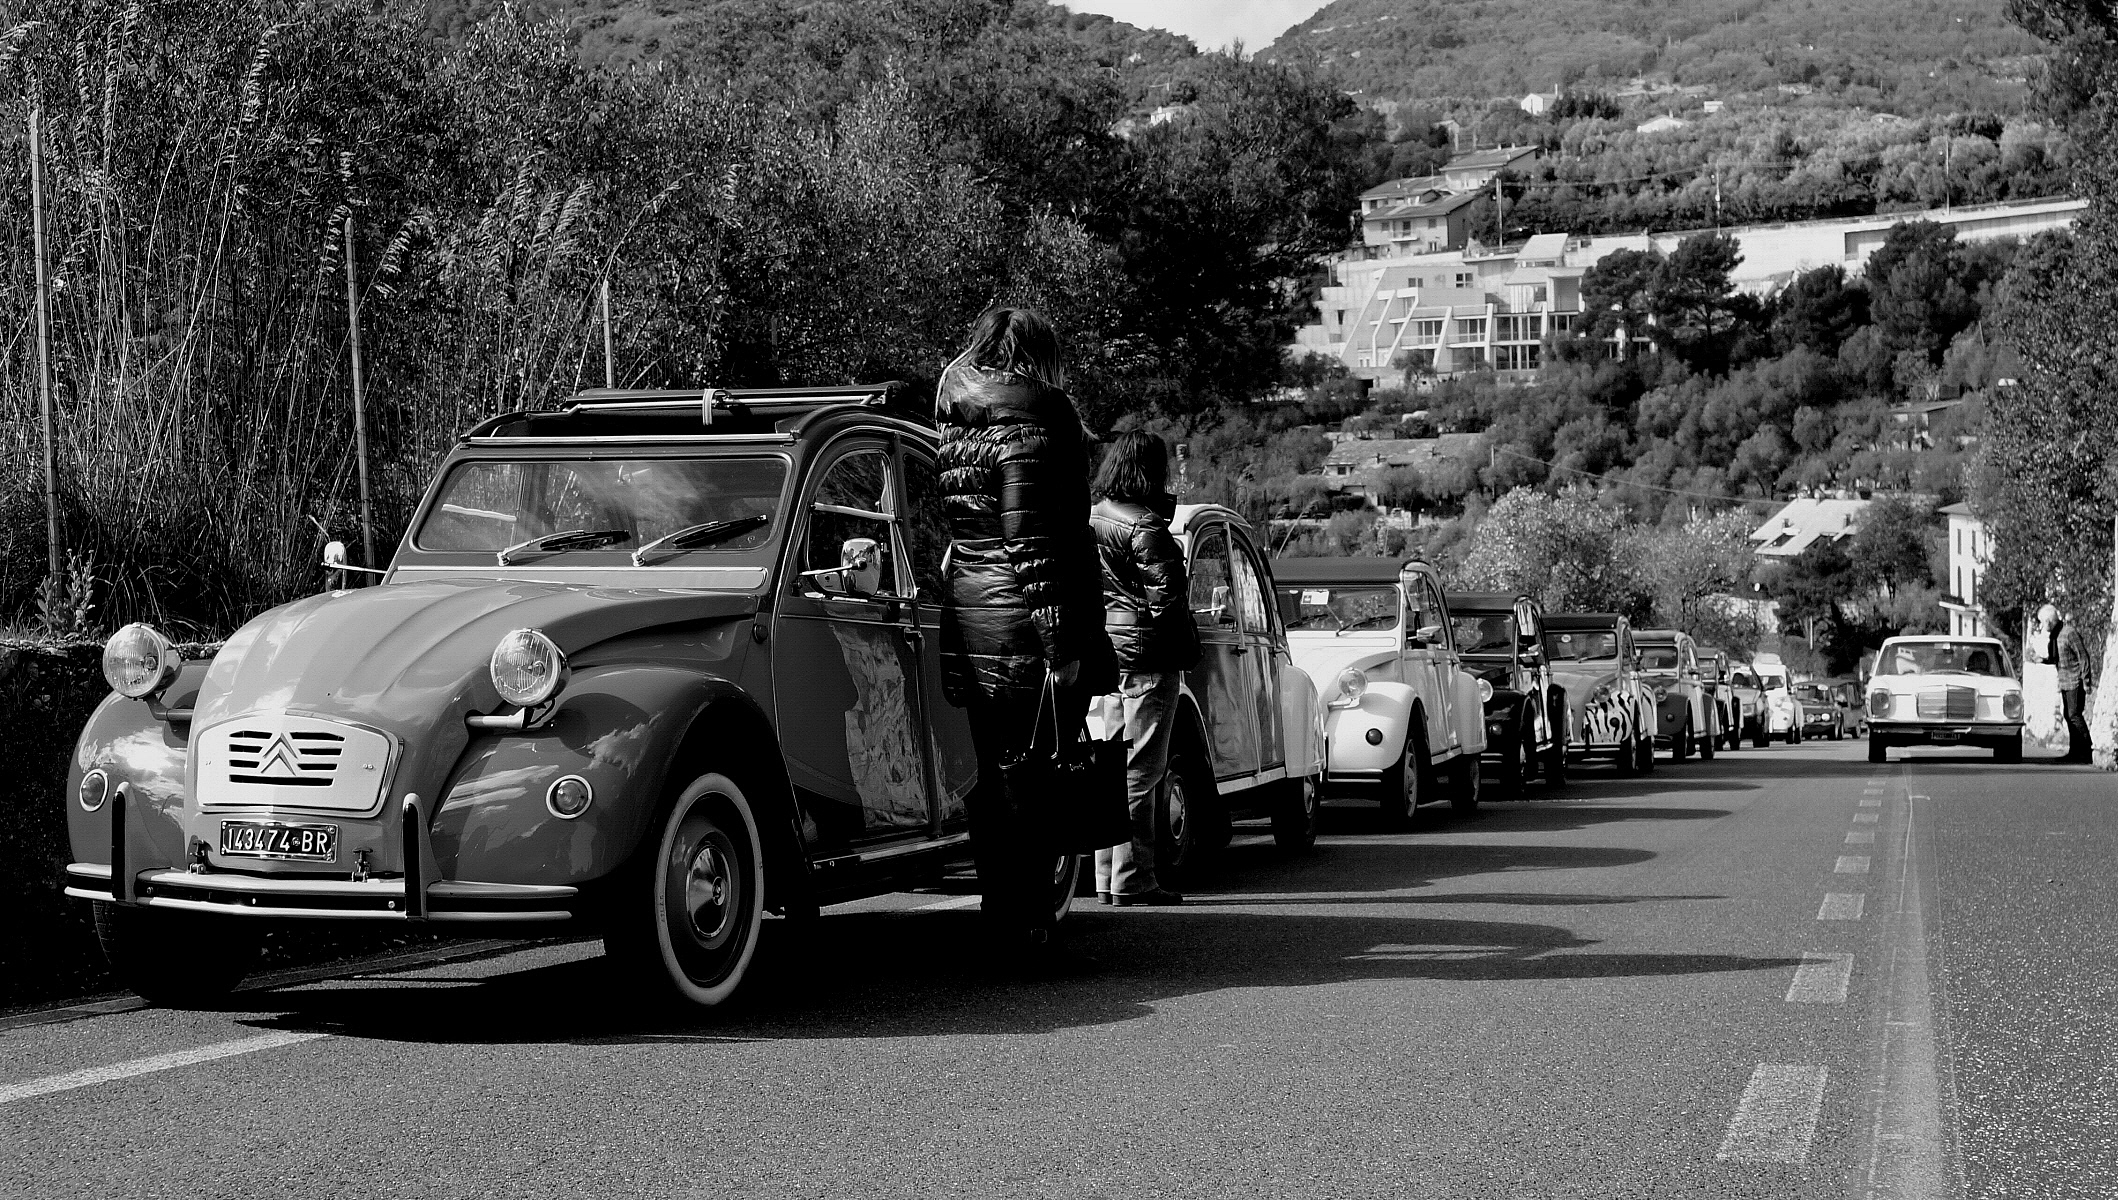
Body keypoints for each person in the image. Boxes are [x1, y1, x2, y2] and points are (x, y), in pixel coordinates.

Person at [933, 307, 1114, 942]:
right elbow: (1031, 545)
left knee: (997, 775)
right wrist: (1062, 645)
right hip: (1020, 621)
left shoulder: (957, 424)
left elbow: (968, 532)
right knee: (1034, 776)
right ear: (1039, 357)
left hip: (971, 611)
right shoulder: (1032, 428)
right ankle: (1025, 923)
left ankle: (1004, 914)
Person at [1088, 432, 1201, 908]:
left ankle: (1106, 876)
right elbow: (1168, 601)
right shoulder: (1145, 525)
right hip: (1147, 656)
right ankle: (1134, 879)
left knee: (1112, 766)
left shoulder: (1093, 515)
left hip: (1108, 650)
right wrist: (1184, 651)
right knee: (1143, 771)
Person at [2043, 603, 2096, 764]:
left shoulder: (2069, 633)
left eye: (2042, 622)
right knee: (2068, 715)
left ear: (2048, 621)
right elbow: (2057, 658)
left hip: (2075, 681)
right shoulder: (2055, 636)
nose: (2042, 626)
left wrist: (2086, 681)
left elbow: (2083, 656)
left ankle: (2087, 751)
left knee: (2074, 715)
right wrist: (2042, 660)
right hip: (2064, 682)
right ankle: (2075, 752)